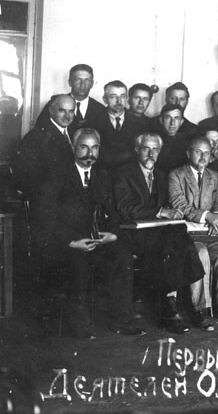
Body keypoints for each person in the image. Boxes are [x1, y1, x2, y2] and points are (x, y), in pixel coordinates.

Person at [32, 128, 140, 338]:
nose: (89, 153)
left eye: (94, 148)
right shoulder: (56, 175)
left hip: (96, 240)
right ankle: (79, 326)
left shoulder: (103, 175)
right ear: (73, 147)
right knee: (79, 263)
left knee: (122, 255)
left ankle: (120, 321)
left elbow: (114, 212)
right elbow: (44, 216)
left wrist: (113, 235)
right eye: (83, 147)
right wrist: (70, 242)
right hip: (65, 242)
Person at [113, 132, 204, 334]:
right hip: (131, 234)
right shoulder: (123, 173)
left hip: (155, 235)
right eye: (146, 149)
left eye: (155, 149)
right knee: (174, 244)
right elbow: (126, 208)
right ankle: (170, 308)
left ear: (160, 151)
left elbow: (169, 206)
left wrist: (174, 212)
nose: (150, 154)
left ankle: (171, 305)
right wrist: (161, 211)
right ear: (136, 150)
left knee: (179, 235)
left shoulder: (162, 175)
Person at [168, 137, 218, 331]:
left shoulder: (214, 176)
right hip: (187, 235)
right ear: (188, 153)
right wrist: (207, 216)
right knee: (200, 254)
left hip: (208, 233)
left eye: (206, 153)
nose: (202, 157)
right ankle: (200, 309)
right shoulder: (176, 175)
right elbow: (179, 205)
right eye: (198, 152)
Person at [15, 94, 76, 199]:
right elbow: (28, 178)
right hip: (48, 198)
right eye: (62, 111)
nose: (67, 116)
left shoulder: (73, 131)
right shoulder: (35, 137)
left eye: (71, 111)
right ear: (51, 111)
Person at [35, 64, 105, 135]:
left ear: (92, 84)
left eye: (87, 80)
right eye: (78, 80)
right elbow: (39, 131)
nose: (82, 84)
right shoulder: (55, 104)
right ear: (70, 82)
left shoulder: (100, 110)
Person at [94, 80, 147, 170]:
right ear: (105, 99)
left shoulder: (140, 123)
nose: (119, 101)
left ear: (127, 99)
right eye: (113, 97)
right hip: (102, 172)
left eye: (122, 96)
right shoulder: (94, 121)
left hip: (129, 174)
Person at [153, 104, 190, 173]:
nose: (172, 123)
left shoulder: (187, 143)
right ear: (161, 120)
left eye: (176, 118)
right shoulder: (153, 141)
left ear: (181, 122)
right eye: (168, 117)